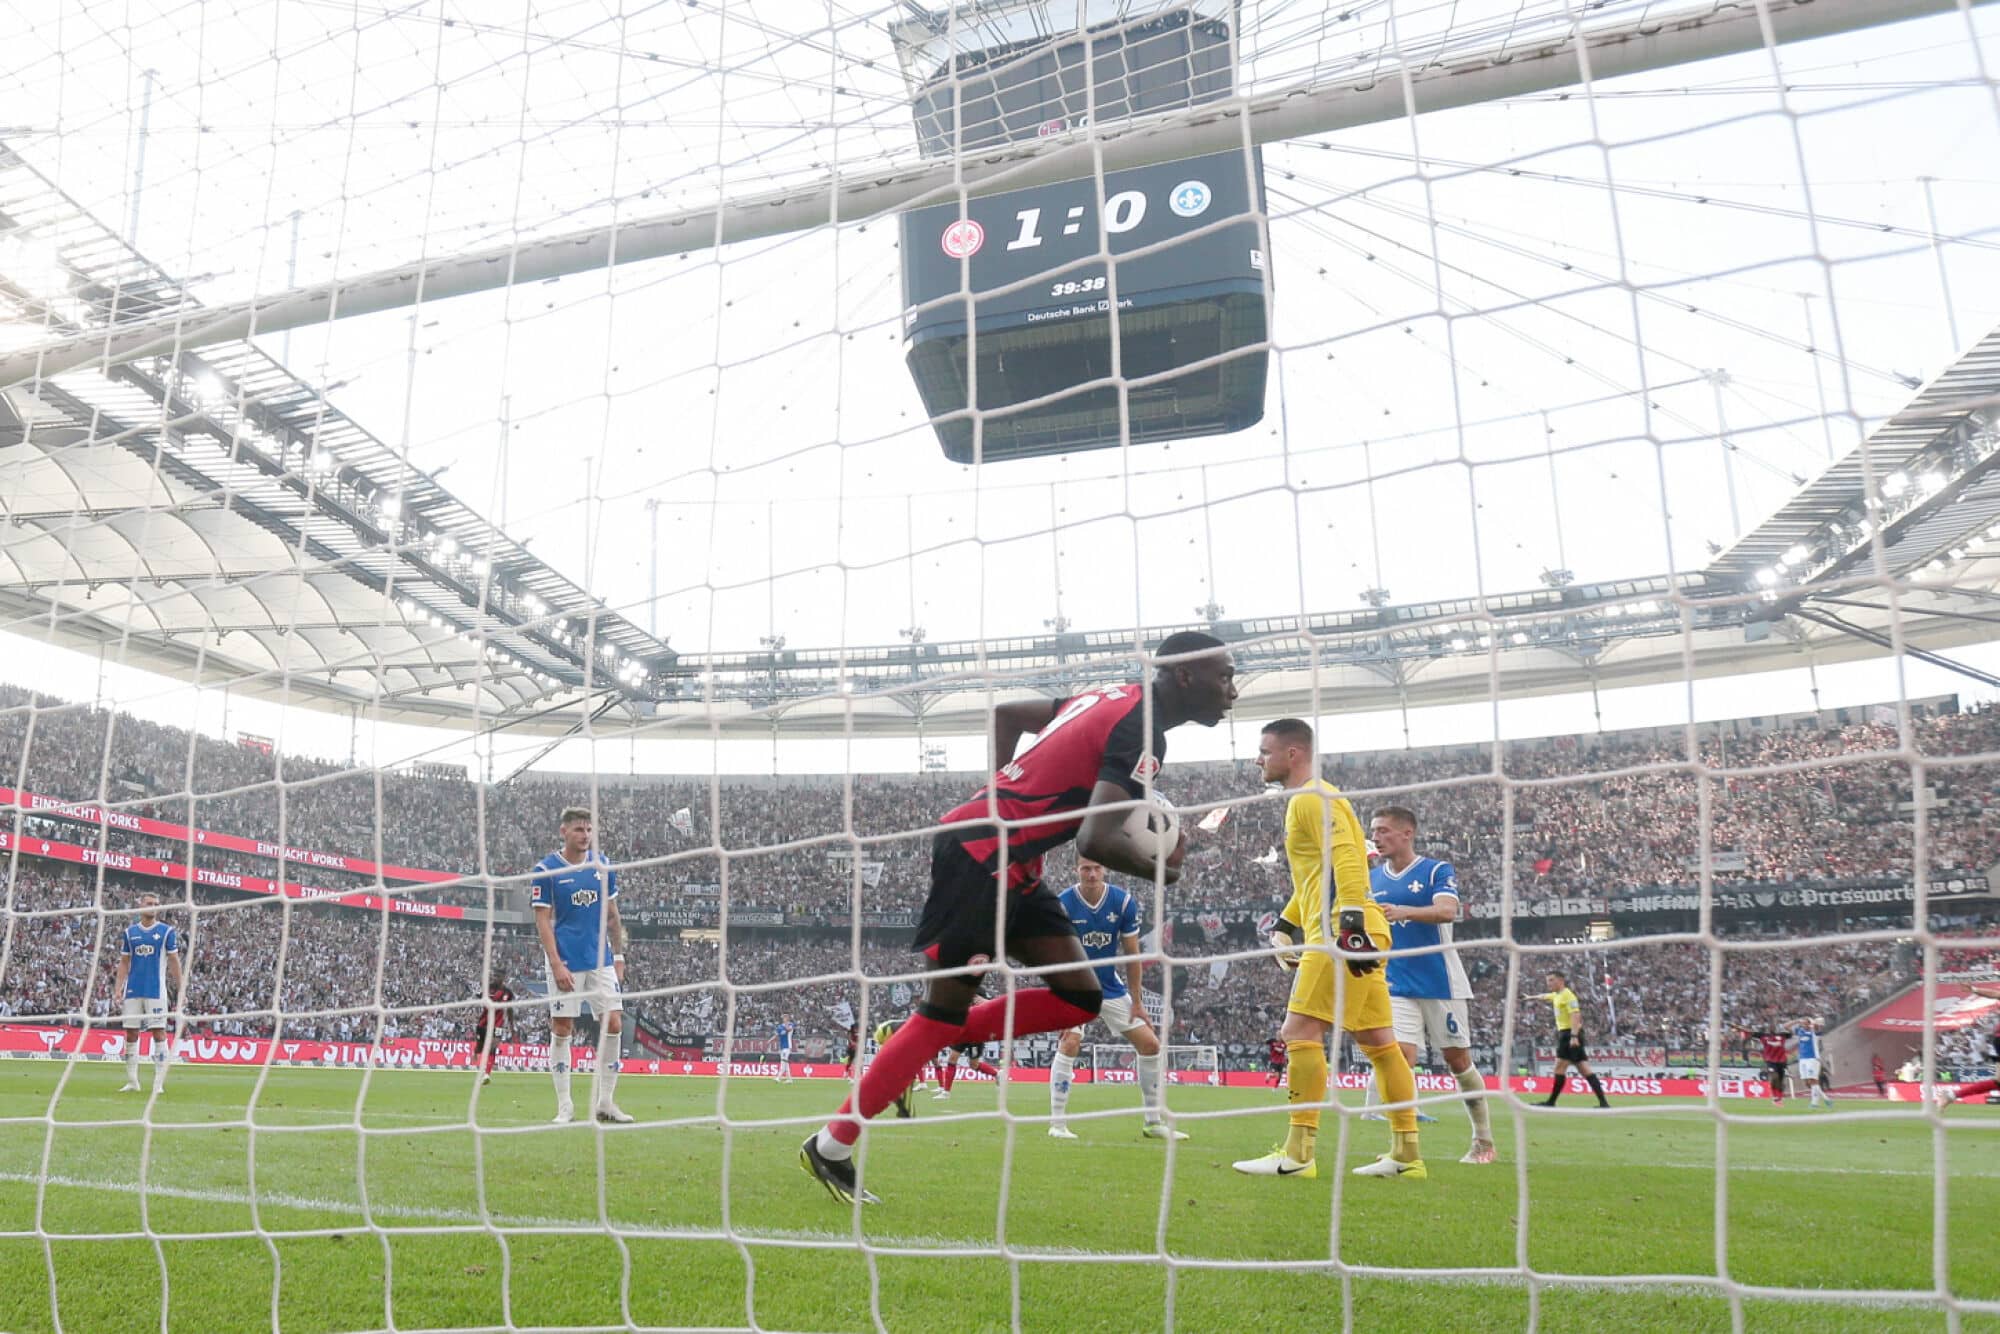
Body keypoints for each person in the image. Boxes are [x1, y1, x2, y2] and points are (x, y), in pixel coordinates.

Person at [800, 632, 1237, 1204]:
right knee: (939, 1014)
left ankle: (920, 1040)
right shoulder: (1142, 729)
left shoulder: (1108, 698)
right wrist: (1167, 873)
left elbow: (1008, 713)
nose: (1232, 689)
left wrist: (1001, 790)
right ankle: (831, 1145)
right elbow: (1096, 837)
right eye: (1224, 676)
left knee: (1079, 999)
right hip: (981, 857)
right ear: (1185, 676)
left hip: (1017, 863)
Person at [1232, 718, 1424, 1182]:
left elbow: (1346, 859)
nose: (1258, 759)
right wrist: (1285, 922)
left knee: (1297, 1030)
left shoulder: (1312, 797)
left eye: (1264, 751)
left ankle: (1298, 1155)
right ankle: (1406, 1155)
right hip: (1356, 927)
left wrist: (1351, 923)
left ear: (1292, 753)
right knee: (1380, 1043)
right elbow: (1321, 874)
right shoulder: (1311, 799)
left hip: (1342, 931)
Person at [1367, 806, 1494, 1163]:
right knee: (1398, 1059)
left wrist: (1404, 911)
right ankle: (1403, 1147)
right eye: (1374, 831)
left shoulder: (1436, 870)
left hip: (1441, 982)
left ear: (1407, 833)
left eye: (1384, 830)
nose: (1376, 837)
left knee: (1458, 1062)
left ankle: (1483, 1141)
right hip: (1395, 983)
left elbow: (1447, 912)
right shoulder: (1372, 879)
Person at [1047, 856, 1186, 1140]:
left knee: (1150, 1045)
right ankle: (1057, 1124)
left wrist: (1137, 1001)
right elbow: (1055, 956)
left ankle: (1152, 1121)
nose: (1092, 874)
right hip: (1076, 989)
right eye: (1086, 868)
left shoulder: (1122, 902)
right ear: (1076, 870)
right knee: (1070, 1042)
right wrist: (1061, 1001)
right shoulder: (1063, 903)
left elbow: (1132, 956)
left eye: (1097, 868)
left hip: (1110, 987)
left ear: (1105, 869)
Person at [531, 806, 632, 1125]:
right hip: (566, 960)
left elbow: (613, 914)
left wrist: (618, 956)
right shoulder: (546, 869)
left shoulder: (603, 866)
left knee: (613, 1023)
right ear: (564, 832)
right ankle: (565, 1106)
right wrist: (556, 964)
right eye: (578, 829)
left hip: (600, 959)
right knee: (563, 1027)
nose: (585, 835)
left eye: (589, 829)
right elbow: (543, 922)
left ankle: (605, 1102)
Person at [114, 893, 181, 1093]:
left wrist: (181, 987)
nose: (153, 907)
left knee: (159, 1032)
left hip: (156, 990)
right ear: (141, 905)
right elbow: (124, 962)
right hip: (133, 990)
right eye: (149, 903)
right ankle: (132, 1081)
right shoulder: (130, 933)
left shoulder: (166, 931)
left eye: (156, 904)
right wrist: (118, 988)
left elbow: (174, 961)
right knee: (131, 1033)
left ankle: (158, 1083)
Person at [1531, 972, 1610, 1108]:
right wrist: (1529, 997)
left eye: (1551, 980)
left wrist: (1573, 1036)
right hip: (1569, 1034)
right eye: (1547, 981)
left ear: (1560, 981)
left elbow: (1575, 1015)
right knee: (1584, 1069)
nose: (1548, 983)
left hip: (1569, 1034)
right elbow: (1544, 996)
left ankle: (1551, 1102)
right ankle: (1603, 1103)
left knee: (1559, 1068)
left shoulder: (1568, 995)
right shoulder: (1557, 995)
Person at [1735, 1023, 1792, 1106]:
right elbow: (1750, 1032)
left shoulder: (1783, 1035)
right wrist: (1740, 1028)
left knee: (1780, 1081)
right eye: (1770, 1026)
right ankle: (1775, 1097)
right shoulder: (1763, 1035)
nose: (1772, 1028)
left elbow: (1791, 1033)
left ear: (1776, 1028)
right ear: (1768, 1028)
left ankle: (1779, 1098)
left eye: (1773, 1026)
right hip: (1770, 1061)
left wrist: (1789, 1027)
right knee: (1774, 1077)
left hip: (1782, 1061)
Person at [474, 972, 514, 1085]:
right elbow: (480, 998)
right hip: (484, 1024)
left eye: (498, 976)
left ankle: (487, 1074)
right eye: (495, 976)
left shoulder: (508, 993)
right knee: (481, 1047)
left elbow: (510, 1009)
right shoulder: (488, 989)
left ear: (503, 978)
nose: (496, 978)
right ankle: (479, 1059)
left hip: (498, 1025)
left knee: (493, 1048)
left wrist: (512, 1026)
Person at [933, 1042, 1000, 1099]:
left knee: (974, 1065)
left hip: (974, 1040)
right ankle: (946, 1092)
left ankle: (997, 1074)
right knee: (952, 1059)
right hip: (963, 1036)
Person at [1792, 1017, 1828, 1110]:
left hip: (1812, 1059)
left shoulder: (1814, 1033)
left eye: (1805, 1023)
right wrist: (1796, 1021)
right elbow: (1786, 1026)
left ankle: (1814, 1103)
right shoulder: (1800, 1031)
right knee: (1807, 1083)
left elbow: (1817, 1028)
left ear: (1809, 1024)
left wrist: (1813, 1022)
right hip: (1802, 1059)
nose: (1803, 1025)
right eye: (1802, 1023)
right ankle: (1825, 1098)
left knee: (1813, 1080)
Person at [775, 1016, 796, 1083]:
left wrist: (786, 1023)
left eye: (786, 1018)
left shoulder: (791, 1024)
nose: (784, 1019)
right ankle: (789, 1079)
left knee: (783, 1061)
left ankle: (779, 1077)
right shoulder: (780, 1026)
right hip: (782, 1046)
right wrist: (770, 1040)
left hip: (787, 1046)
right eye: (784, 1018)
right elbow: (777, 1034)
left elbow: (788, 1030)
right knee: (785, 1063)